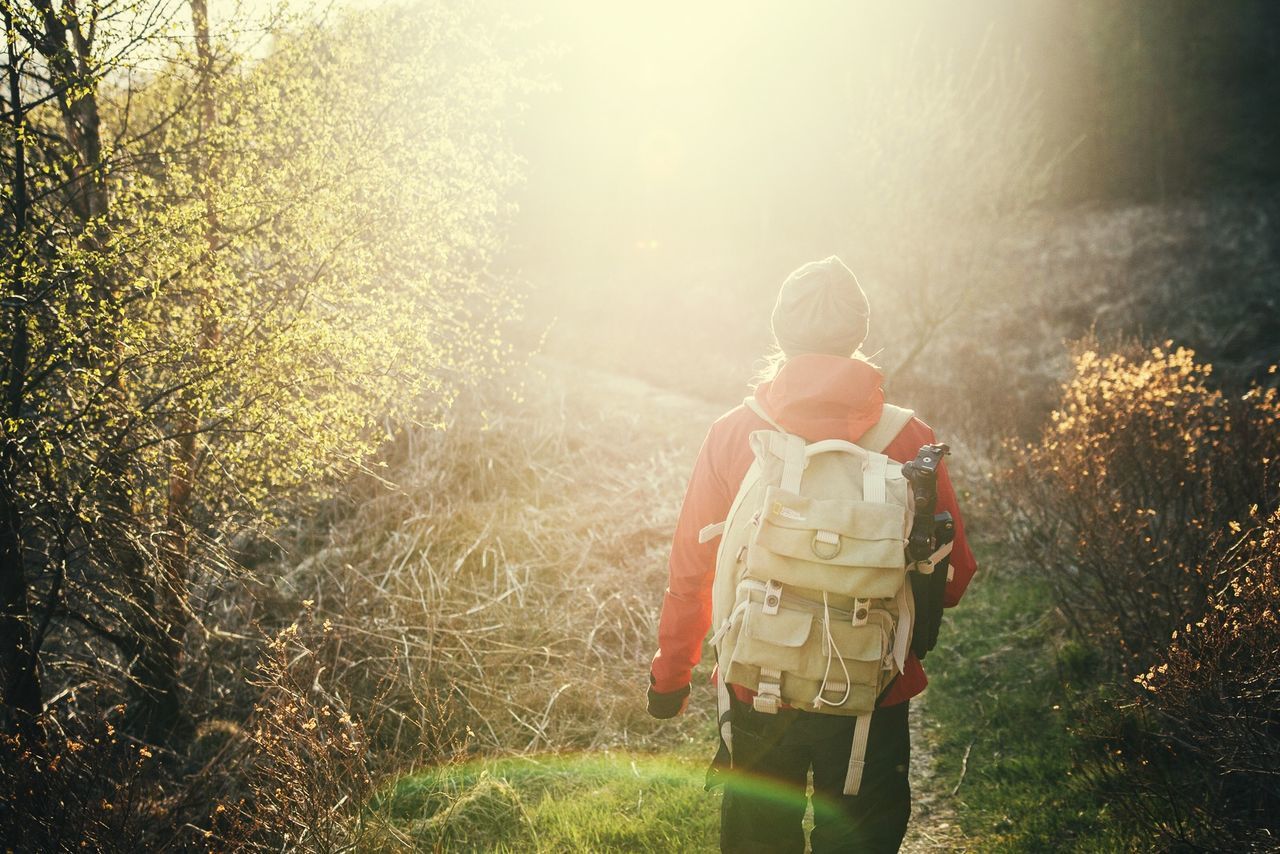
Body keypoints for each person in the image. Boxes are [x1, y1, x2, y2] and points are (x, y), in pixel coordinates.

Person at [646, 256, 977, 853]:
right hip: (871, 695)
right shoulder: (911, 438)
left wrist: (670, 676)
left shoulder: (734, 434)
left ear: (780, 334)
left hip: (755, 688)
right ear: (860, 334)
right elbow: (954, 577)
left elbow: (691, 571)